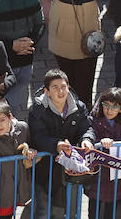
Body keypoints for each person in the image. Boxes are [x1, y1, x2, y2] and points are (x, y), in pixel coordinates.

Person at [47, 0, 109, 103]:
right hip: (64, 42)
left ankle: (85, 115)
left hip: (88, 41)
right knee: (66, 85)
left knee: (85, 86)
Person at [28, 69, 92, 217]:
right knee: (43, 212)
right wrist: (55, 145)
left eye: (63, 86)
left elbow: (87, 128)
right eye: (55, 87)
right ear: (47, 91)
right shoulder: (37, 110)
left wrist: (87, 140)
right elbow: (38, 136)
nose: (60, 91)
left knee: (69, 212)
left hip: (72, 169)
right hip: (45, 169)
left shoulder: (79, 107)